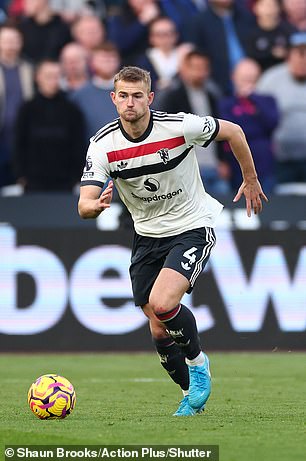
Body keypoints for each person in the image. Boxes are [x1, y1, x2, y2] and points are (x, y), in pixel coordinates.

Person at [78, 66, 267, 416]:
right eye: (123, 95)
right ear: (113, 99)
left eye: (137, 96)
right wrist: (95, 205)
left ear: (150, 98)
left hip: (192, 225)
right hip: (147, 235)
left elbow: (234, 131)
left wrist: (250, 177)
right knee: (157, 325)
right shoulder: (103, 145)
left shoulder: (180, 126)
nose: (130, 103)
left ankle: (198, 365)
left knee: (164, 303)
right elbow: (84, 203)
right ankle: (188, 396)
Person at [154, 49, 230, 196]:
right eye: (195, 68)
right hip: (187, 168)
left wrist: (222, 160)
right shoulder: (172, 96)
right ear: (184, 69)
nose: (199, 73)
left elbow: (219, 130)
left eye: (203, 68)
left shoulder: (212, 95)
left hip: (213, 165)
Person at [13, 59, 85, 192]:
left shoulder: (72, 110)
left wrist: (76, 176)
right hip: (33, 182)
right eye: (48, 76)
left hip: (65, 182)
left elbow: (78, 145)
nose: (53, 81)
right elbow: (19, 143)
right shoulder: (26, 109)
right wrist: (21, 175)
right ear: (38, 77)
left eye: (56, 76)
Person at [218, 57, 279, 193]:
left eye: (252, 79)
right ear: (234, 77)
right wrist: (255, 124)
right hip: (236, 163)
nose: (248, 83)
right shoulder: (226, 103)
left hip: (264, 163)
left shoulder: (267, 100)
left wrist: (253, 99)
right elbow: (231, 130)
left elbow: (272, 123)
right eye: (244, 78)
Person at [256, 31, 306, 184]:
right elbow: (257, 113)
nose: (302, 60)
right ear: (289, 56)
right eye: (299, 54)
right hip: (280, 157)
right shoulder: (271, 79)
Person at [0, 22, 33, 188]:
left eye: (15, 40)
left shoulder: (29, 68)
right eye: (6, 40)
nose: (11, 45)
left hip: (23, 138)